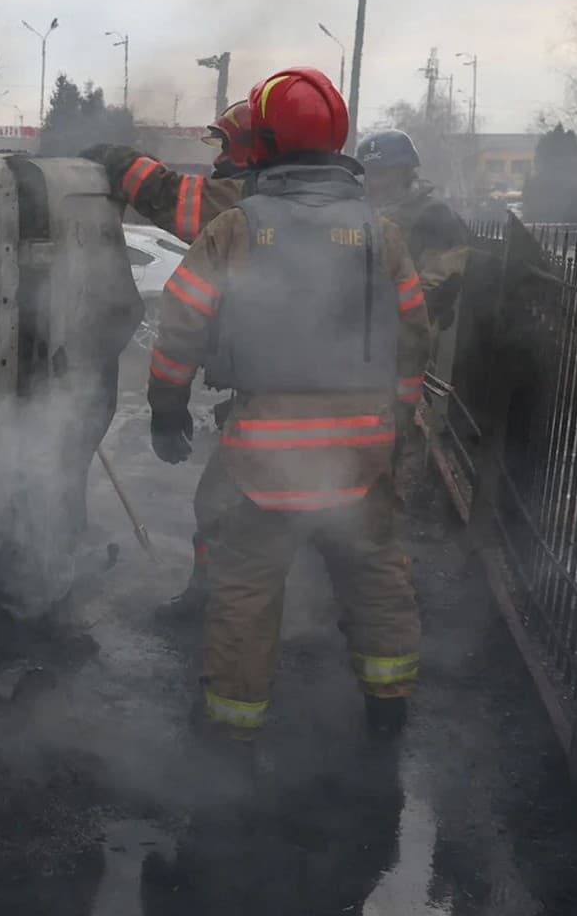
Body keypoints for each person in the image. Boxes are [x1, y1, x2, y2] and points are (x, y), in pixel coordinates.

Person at [140, 66, 434, 743]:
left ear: (265, 144)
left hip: (265, 454)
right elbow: (414, 332)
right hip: (361, 451)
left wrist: (167, 406)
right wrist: (400, 419)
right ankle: (387, 703)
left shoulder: (239, 227)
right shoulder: (378, 232)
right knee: (376, 574)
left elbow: (181, 320)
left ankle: (231, 728)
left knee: (245, 591)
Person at [85, 101, 262, 624]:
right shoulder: (350, 215)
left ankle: (218, 613)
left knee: (224, 510)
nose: (220, 159)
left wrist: (117, 163)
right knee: (350, 538)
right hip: (358, 408)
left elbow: (174, 203)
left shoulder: (250, 206)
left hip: (271, 404)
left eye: (227, 147)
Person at [355, 129, 472, 330]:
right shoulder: (360, 211)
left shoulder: (436, 216)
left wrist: (388, 321)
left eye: (381, 173)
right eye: (368, 174)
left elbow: (438, 285)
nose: (372, 183)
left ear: (405, 172)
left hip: (411, 336)